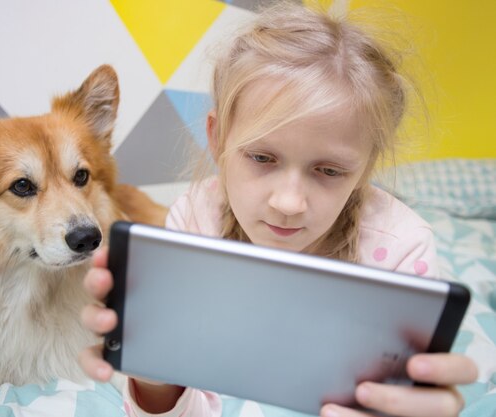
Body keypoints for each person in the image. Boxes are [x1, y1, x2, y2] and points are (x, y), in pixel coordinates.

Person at [78, 2, 478, 416]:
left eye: (328, 170)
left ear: (365, 169)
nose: (288, 203)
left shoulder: (402, 252)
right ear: (217, 139)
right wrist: (153, 379)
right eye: (262, 158)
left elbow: (399, 399)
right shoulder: (195, 220)